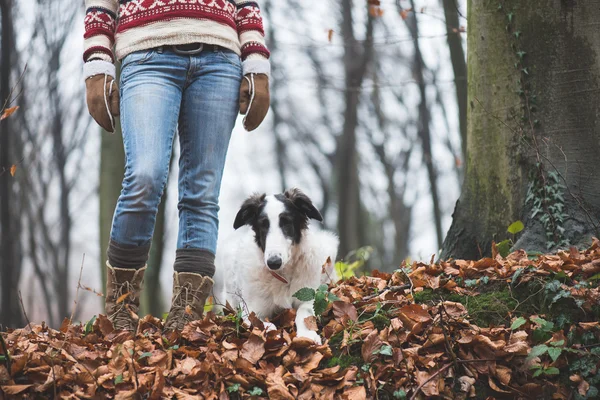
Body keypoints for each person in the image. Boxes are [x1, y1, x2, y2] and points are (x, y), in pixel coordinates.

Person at [83, 0, 271, 332]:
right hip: (145, 52)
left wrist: (256, 62)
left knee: (202, 191)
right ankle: (121, 309)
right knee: (144, 175)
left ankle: (186, 318)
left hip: (220, 57)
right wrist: (98, 62)